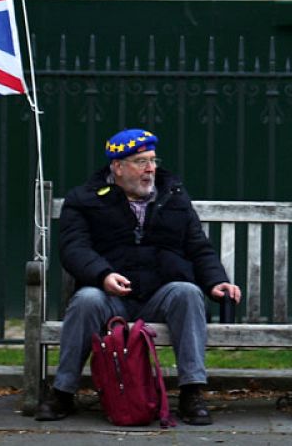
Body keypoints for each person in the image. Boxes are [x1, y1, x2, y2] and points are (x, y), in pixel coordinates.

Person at [33, 128, 242, 425]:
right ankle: (63, 392)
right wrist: (103, 275)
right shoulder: (85, 199)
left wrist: (215, 281)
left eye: (153, 161)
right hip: (110, 297)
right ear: (117, 167)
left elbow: (198, 247)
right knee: (86, 300)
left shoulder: (174, 196)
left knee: (187, 292)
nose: (151, 169)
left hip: (160, 296)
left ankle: (192, 392)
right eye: (141, 161)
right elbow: (73, 248)